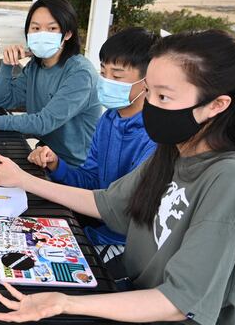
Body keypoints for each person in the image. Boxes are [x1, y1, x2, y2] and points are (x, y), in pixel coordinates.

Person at [0, 30, 235, 325]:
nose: (150, 106)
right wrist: (24, 180)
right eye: (150, 92)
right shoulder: (175, 149)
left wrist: (65, 303)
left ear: (217, 105)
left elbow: (178, 302)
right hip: (134, 308)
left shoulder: (231, 176)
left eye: (164, 97)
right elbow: (107, 204)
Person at [28, 27, 157, 251]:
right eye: (103, 73)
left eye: (117, 76)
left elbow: (124, 210)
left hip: (123, 242)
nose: (106, 82)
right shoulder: (108, 119)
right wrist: (57, 165)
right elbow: (92, 180)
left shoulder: (154, 136)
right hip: (96, 223)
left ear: (148, 81)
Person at [0, 0, 101, 167]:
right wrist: (7, 64)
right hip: (43, 157)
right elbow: (3, 100)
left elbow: (43, 123)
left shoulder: (80, 73)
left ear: (67, 34)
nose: (42, 34)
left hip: (76, 169)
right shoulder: (36, 65)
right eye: (35, 28)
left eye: (52, 28)